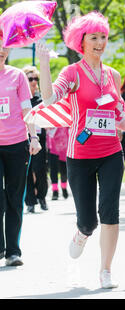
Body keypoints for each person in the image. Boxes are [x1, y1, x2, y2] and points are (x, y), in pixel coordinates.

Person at [36, 12, 125, 288]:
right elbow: (50, 98)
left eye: (103, 37)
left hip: (112, 152)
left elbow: (119, 115)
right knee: (88, 221)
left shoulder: (112, 75)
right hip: (80, 156)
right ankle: (82, 232)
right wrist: (44, 64)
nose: (100, 42)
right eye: (94, 38)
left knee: (110, 212)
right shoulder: (72, 73)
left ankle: (105, 271)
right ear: (82, 41)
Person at [0, 40, 42, 266]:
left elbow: (28, 108)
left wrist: (33, 137)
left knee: (15, 198)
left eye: (4, 46)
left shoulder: (17, 76)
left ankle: (13, 252)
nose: (1, 50)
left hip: (17, 144)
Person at [23, 66, 48, 213]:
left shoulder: (41, 100)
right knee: (27, 171)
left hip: (40, 140)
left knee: (40, 170)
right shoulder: (21, 98)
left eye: (35, 78)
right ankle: (30, 202)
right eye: (30, 78)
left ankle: (42, 196)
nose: (33, 81)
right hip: (23, 139)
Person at [47, 127, 69, 200]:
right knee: (53, 171)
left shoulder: (65, 119)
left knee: (64, 172)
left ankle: (64, 187)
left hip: (64, 149)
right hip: (53, 148)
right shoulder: (51, 120)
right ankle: (55, 191)